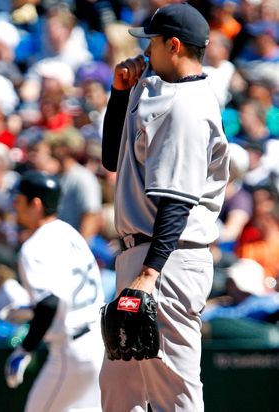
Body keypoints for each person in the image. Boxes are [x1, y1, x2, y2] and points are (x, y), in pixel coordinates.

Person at [100, 3, 230, 412]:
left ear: (173, 45)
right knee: (120, 393)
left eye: (152, 42)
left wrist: (149, 274)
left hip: (169, 260)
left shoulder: (188, 108)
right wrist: (120, 94)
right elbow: (110, 157)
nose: (145, 51)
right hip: (141, 256)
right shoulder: (156, 87)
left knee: (174, 393)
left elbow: (176, 202)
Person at [4, 170, 104, 412]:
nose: (14, 208)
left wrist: (25, 348)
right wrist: (32, 311)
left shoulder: (34, 246)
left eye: (19, 201)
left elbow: (49, 303)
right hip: (99, 344)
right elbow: (61, 295)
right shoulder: (71, 233)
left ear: (35, 204)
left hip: (71, 351)